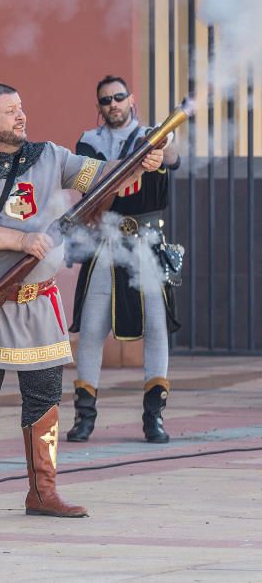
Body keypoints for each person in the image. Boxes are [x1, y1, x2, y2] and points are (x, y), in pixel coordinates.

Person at [0, 83, 164, 518]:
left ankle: (42, 493)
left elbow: (102, 176)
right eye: (10, 112)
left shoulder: (50, 155)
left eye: (21, 108)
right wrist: (22, 240)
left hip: (41, 303)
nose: (21, 117)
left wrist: (139, 163)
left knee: (44, 399)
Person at [68, 75, 181, 444]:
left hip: (147, 241)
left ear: (131, 99)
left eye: (118, 97)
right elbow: (90, 185)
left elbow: (174, 156)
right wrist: (131, 165)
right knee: (91, 330)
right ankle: (84, 417)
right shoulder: (89, 141)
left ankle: (154, 418)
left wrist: (161, 154)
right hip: (106, 240)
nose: (113, 104)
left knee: (158, 328)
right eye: (106, 100)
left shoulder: (154, 133)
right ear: (99, 106)